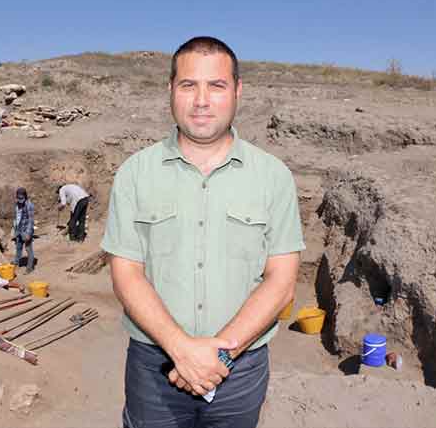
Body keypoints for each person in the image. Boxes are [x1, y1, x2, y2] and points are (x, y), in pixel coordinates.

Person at [101, 36, 305, 428]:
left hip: (239, 372)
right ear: (170, 90)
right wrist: (180, 350)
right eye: (188, 85)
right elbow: (126, 273)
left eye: (216, 85)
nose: (201, 100)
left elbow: (282, 282)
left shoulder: (273, 177)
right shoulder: (134, 174)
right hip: (153, 369)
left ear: (237, 91)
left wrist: (219, 357)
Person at [12, 187, 35, 274]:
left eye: (21, 198)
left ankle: (30, 267)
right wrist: (14, 228)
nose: (20, 200)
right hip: (19, 228)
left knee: (28, 249)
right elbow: (16, 216)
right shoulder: (16, 204)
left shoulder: (29, 205)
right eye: (18, 197)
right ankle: (16, 262)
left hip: (26, 230)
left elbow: (31, 220)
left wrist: (28, 233)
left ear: (25, 197)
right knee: (18, 247)